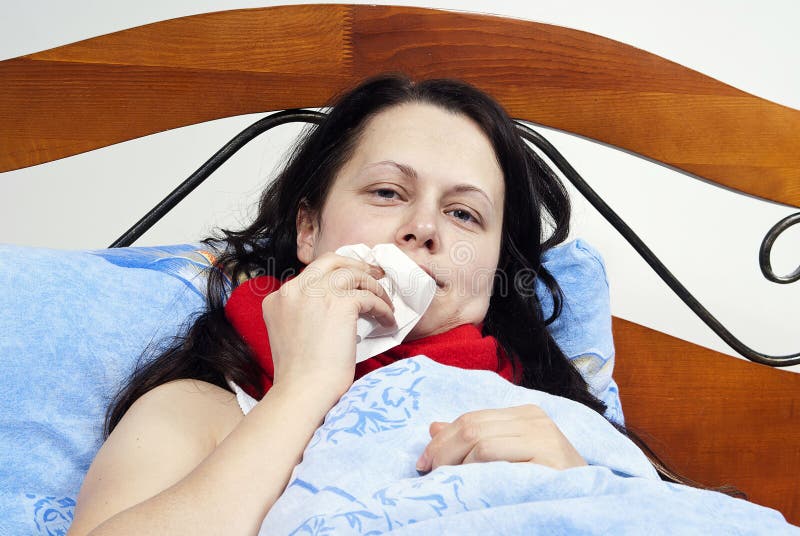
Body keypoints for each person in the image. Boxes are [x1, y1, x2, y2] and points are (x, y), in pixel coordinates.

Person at [66, 75, 711, 535]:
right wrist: (305, 386)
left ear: (489, 273)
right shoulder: (201, 408)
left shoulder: (560, 424)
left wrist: (576, 487)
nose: (425, 228)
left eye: (463, 213)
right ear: (308, 230)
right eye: (385, 192)